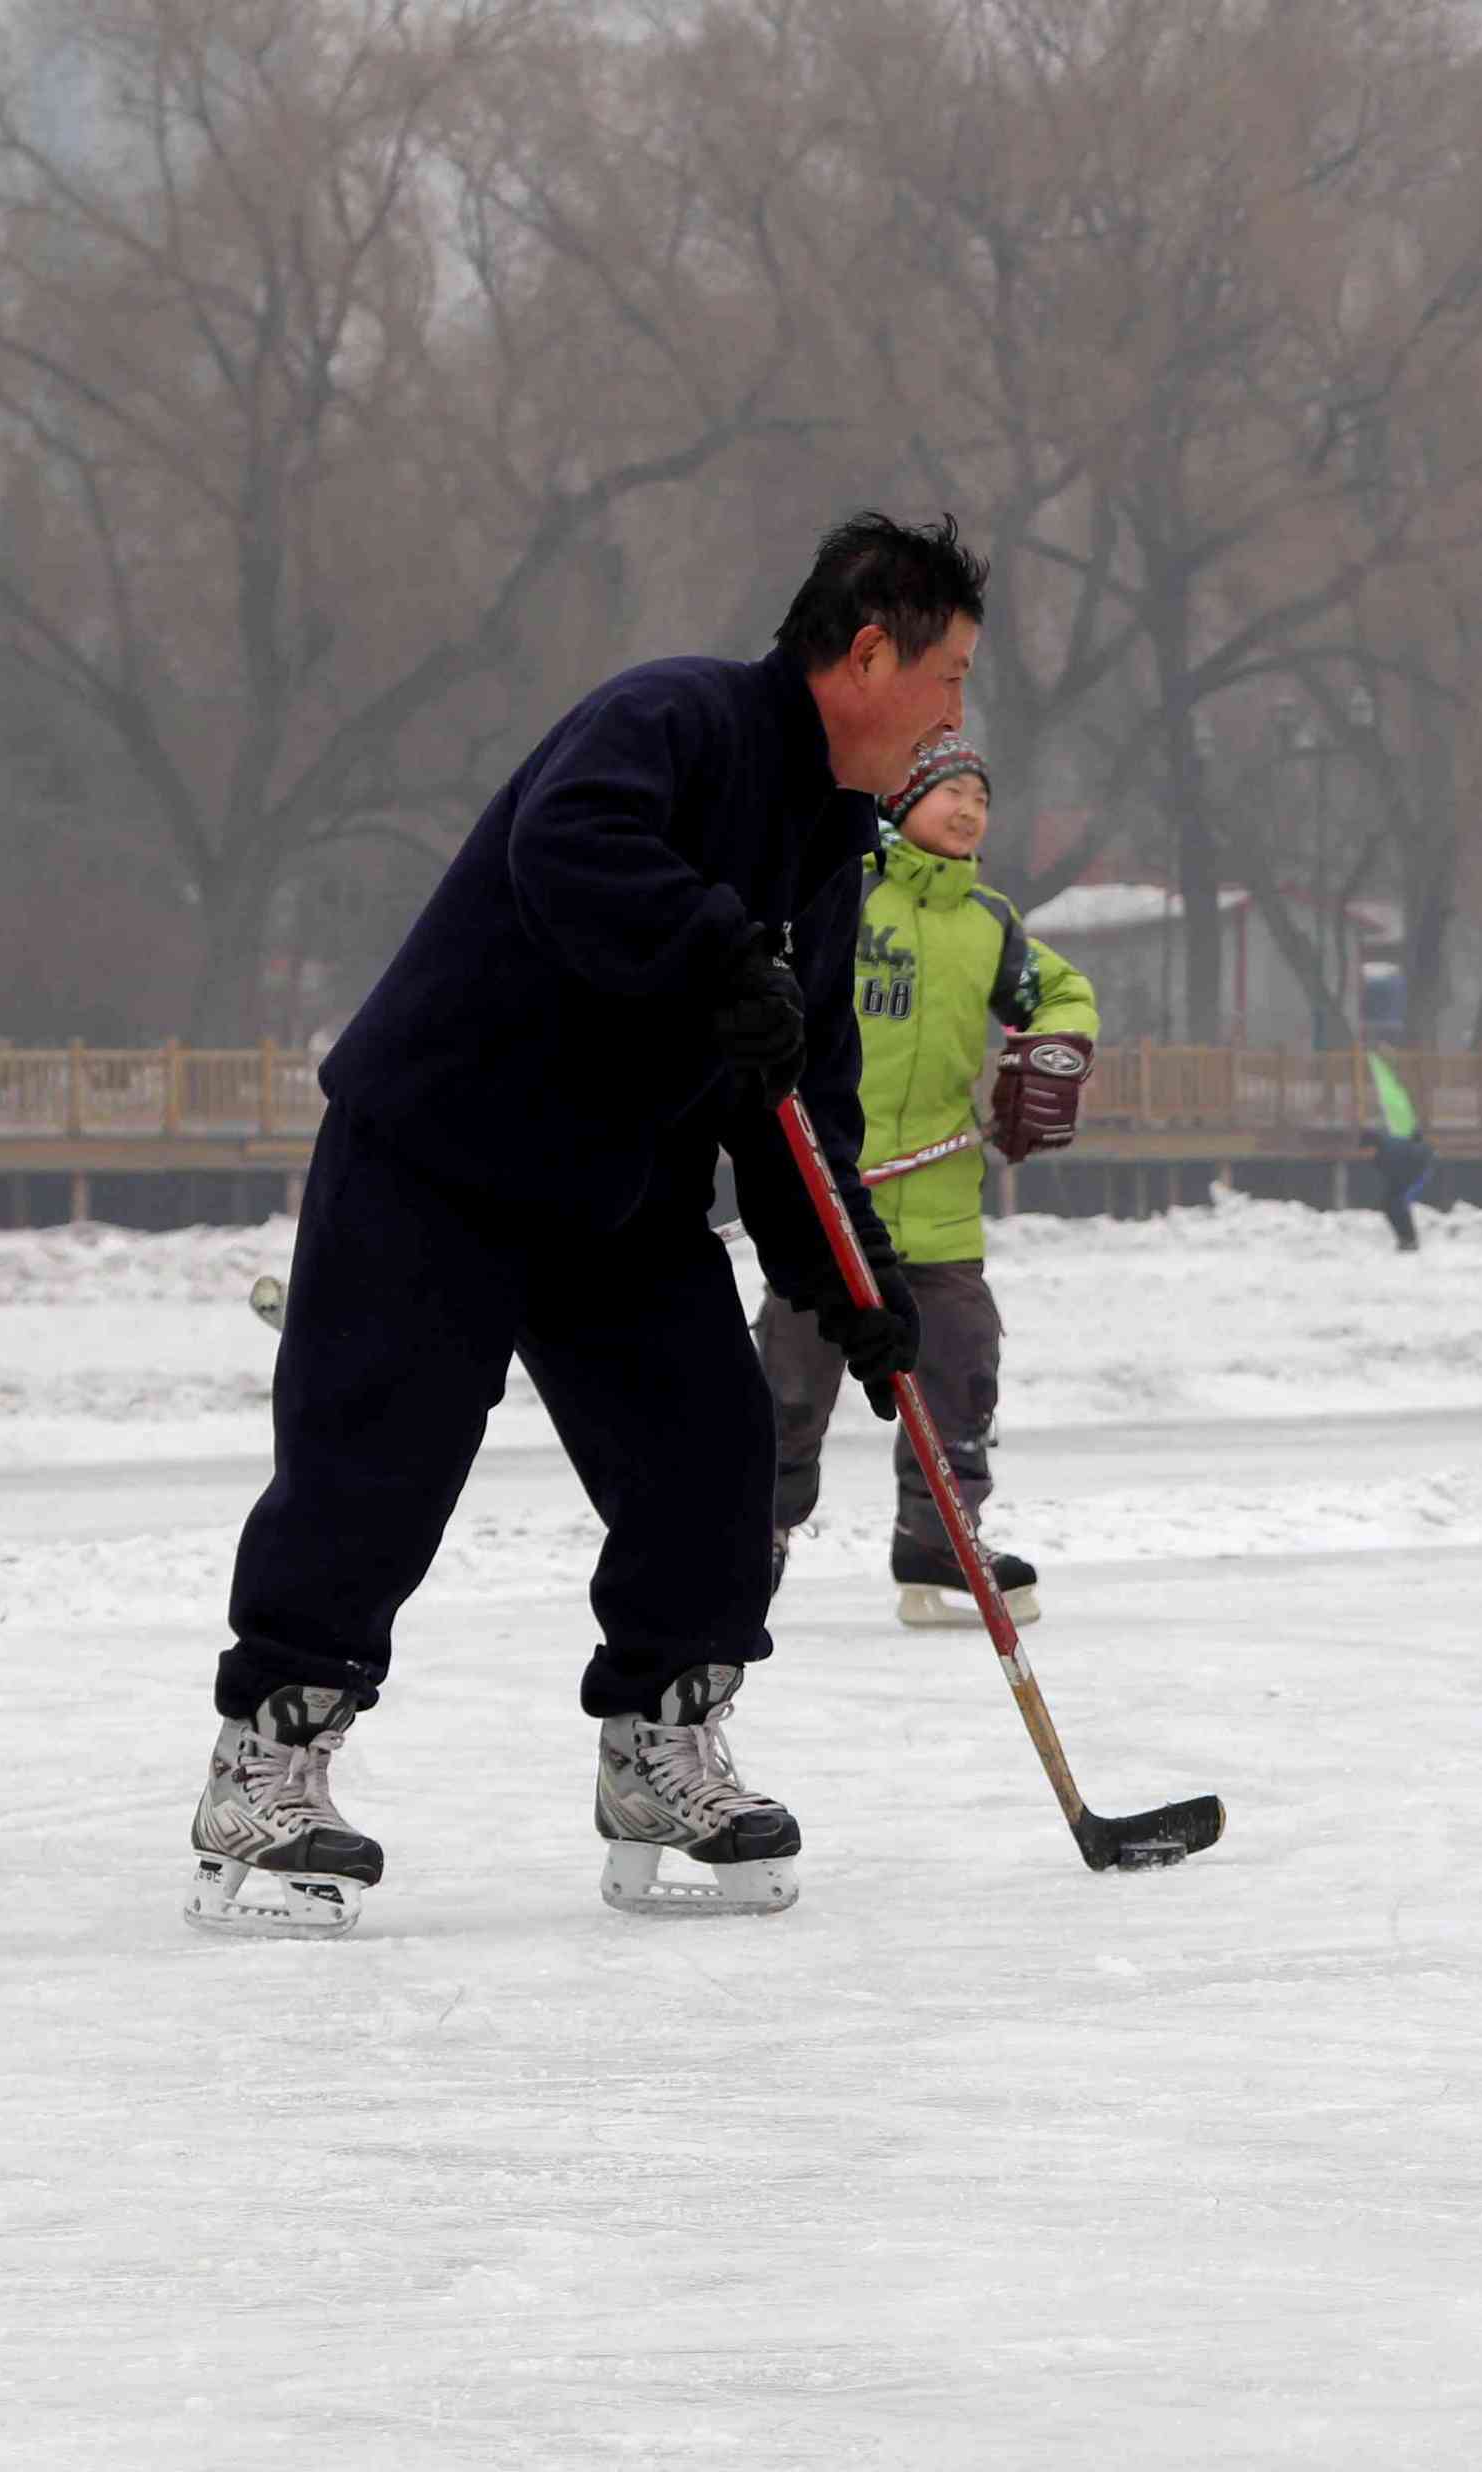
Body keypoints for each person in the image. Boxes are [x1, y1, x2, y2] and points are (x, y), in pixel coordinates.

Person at [185, 512, 985, 1937]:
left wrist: (847, 1277)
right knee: (379, 1460)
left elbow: (803, 1095)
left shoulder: (831, 846)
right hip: (439, 1147)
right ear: (869, 654)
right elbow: (570, 848)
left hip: (615, 1190)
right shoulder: (674, 717)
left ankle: (659, 1750)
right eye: (949, 680)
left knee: (715, 1453)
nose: (952, 717)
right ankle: (270, 1761)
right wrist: (710, 950)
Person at [754, 732, 1096, 1630]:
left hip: (940, 1208)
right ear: (901, 803)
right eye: (951, 793)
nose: (970, 811)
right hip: (827, 1191)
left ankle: (940, 1539)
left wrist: (1052, 1054)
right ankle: (758, 1534)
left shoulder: (988, 921)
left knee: (961, 1367)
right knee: (791, 1380)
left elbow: (1061, 996)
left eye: (981, 798)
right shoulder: (846, 894)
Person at [1370, 1126, 1434, 1252]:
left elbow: (1400, 1172)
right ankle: (1406, 1238)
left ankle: (1410, 1240)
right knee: (1391, 1205)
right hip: (1407, 1175)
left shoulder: (1389, 1152)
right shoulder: (1383, 1152)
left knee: (1398, 1205)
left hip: (1416, 1174)